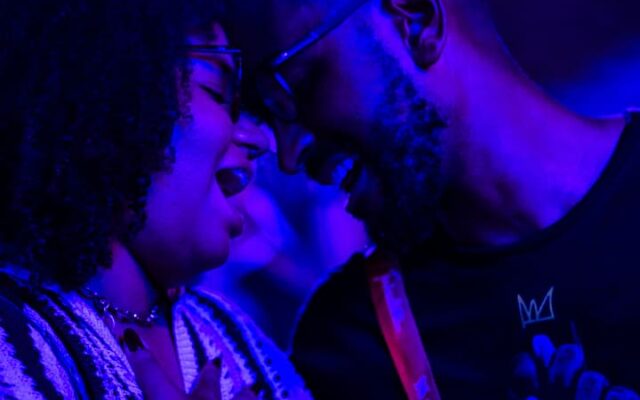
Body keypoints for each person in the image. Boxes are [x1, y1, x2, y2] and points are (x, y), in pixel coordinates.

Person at [228, 0, 640, 397]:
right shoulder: (351, 344)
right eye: (266, 116)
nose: (288, 155)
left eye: (299, 84)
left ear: (415, 20)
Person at [0, 0, 311, 398]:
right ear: (110, 100)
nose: (257, 139)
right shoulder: (15, 340)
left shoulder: (231, 334)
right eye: (216, 91)